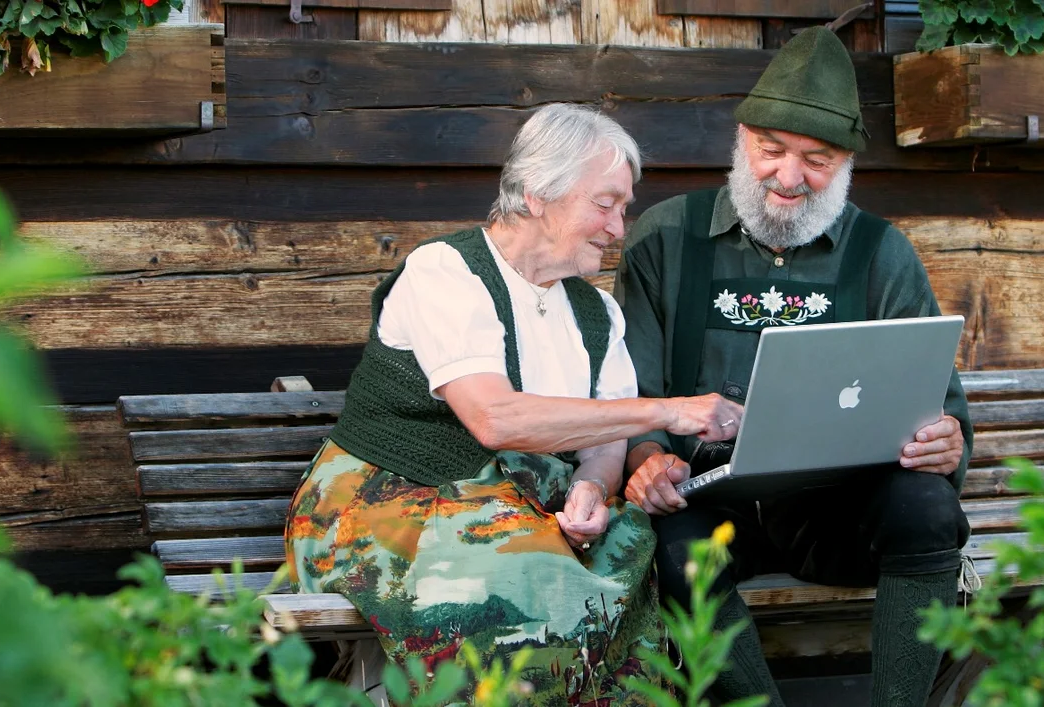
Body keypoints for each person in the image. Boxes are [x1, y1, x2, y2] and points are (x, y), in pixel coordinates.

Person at [284, 103, 744, 705]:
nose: (617, 227)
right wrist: (665, 412)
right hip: (392, 499)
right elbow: (495, 418)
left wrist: (590, 487)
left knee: (628, 556)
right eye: (604, 204)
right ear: (536, 195)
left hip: (515, 509)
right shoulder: (445, 272)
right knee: (521, 579)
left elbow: (605, 440)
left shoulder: (594, 311)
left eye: (623, 207)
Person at [612, 27, 976, 707]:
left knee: (929, 507)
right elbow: (631, 390)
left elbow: (943, 407)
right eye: (771, 150)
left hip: (834, 512)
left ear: (845, 163)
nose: (788, 176)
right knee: (676, 554)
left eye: (817, 158)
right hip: (706, 505)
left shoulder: (881, 252)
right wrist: (645, 457)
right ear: (741, 137)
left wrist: (945, 440)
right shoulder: (664, 239)